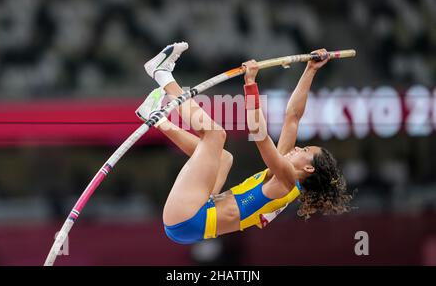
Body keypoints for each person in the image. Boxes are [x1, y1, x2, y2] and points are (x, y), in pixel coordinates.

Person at [136, 42, 352, 244]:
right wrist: (310, 70)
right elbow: (293, 116)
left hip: (189, 217)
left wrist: (250, 84)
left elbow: (259, 134)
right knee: (223, 157)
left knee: (215, 135)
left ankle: (161, 73)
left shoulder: (287, 179)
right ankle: (156, 118)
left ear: (308, 167)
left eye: (305, 150)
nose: (297, 147)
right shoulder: (285, 175)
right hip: (196, 217)